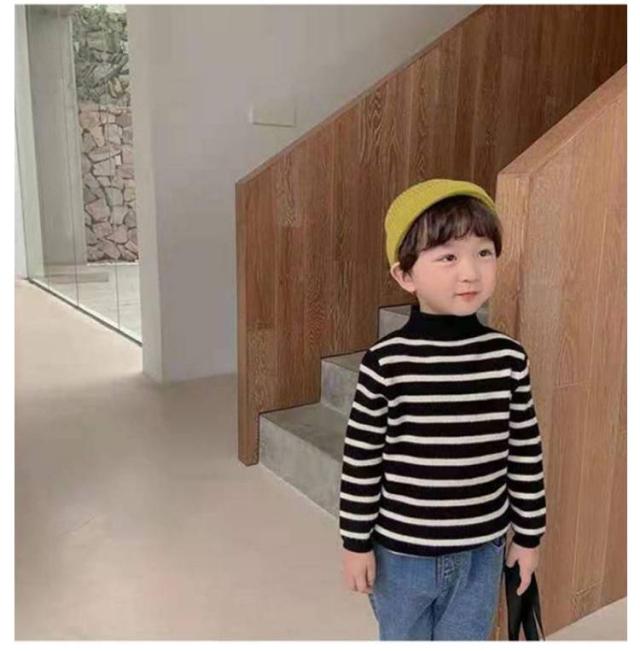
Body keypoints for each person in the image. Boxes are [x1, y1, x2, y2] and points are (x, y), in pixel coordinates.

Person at [338, 179, 547, 640]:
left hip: (481, 551)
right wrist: (355, 543)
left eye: (483, 253)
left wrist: (529, 536)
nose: (470, 272)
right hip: (401, 555)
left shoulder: (508, 359)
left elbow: (525, 454)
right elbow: (361, 461)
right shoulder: (385, 363)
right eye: (448, 257)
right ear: (405, 276)